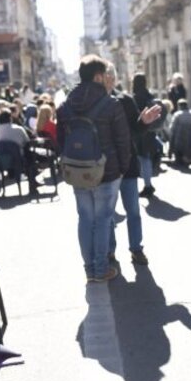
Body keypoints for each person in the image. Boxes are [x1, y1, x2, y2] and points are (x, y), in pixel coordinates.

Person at [57, 55, 161, 282]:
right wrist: (122, 169)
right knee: (103, 219)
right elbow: (124, 142)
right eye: (106, 74)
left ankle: (90, 269)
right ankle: (101, 268)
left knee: (85, 219)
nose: (108, 78)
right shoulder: (110, 104)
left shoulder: (65, 105)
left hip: (77, 171)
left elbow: (59, 141)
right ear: (98, 76)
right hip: (107, 172)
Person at [104, 64, 150, 266]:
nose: (105, 81)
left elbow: (137, 130)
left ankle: (136, 249)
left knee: (133, 211)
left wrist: (144, 122)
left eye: (108, 77)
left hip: (128, 166)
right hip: (105, 168)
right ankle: (110, 251)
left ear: (113, 80)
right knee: (108, 214)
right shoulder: (95, 103)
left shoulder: (125, 100)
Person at [132, 73, 159, 198]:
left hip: (141, 132)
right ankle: (148, 184)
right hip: (151, 132)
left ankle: (148, 185)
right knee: (146, 158)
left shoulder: (135, 97)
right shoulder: (149, 95)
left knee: (143, 159)